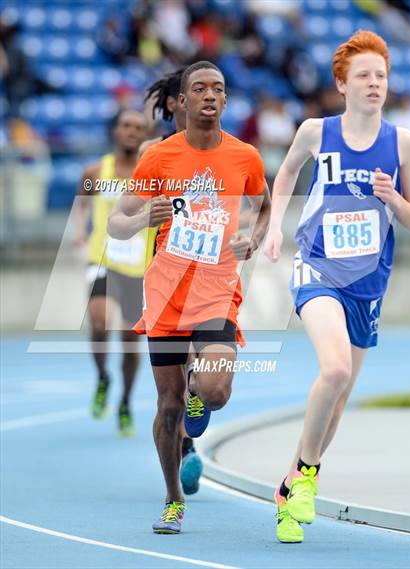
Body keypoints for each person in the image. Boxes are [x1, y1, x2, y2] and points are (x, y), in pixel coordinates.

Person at [264, 30, 410, 543]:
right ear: (342, 84)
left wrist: (395, 202)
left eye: (381, 75)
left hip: (368, 281)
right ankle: (307, 478)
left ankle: (289, 487)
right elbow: (284, 176)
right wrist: (270, 231)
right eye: (364, 76)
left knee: (340, 394)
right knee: (332, 370)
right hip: (317, 266)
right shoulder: (315, 131)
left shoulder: (405, 143)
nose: (375, 84)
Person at [108, 61, 271, 533]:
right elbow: (117, 221)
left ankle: (202, 394)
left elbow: (264, 207)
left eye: (217, 89)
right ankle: (173, 497)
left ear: (225, 101)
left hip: (217, 286)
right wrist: (142, 221)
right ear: (181, 100)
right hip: (165, 292)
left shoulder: (245, 157)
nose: (209, 95)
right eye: (198, 88)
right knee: (168, 406)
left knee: (214, 391)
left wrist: (254, 238)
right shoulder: (159, 156)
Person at [141, 67, 204, 497]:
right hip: (163, 273)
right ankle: (184, 448)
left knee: (199, 368)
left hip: (210, 275)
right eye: (187, 96)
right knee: (170, 391)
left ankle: (197, 406)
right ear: (173, 104)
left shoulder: (221, 147)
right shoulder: (156, 150)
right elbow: (128, 208)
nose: (198, 103)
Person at [73, 109, 154, 437]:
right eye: (126, 126)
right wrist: (80, 230)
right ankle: (104, 376)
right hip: (102, 258)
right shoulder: (96, 171)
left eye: (139, 127)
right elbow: (81, 203)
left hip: (137, 266)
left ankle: (124, 400)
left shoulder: (151, 174)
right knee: (99, 321)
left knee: (130, 338)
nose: (132, 132)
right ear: (116, 131)